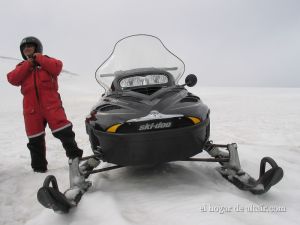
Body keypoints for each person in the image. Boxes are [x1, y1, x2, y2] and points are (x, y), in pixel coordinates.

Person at [7, 36, 83, 173]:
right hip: (31, 110)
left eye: (30, 46)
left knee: (64, 132)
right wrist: (29, 64)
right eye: (24, 47)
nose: (27, 48)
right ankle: (39, 169)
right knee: (35, 140)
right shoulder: (21, 67)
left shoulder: (47, 62)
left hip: (51, 105)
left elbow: (57, 67)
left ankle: (76, 158)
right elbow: (12, 79)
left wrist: (39, 58)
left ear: (37, 47)